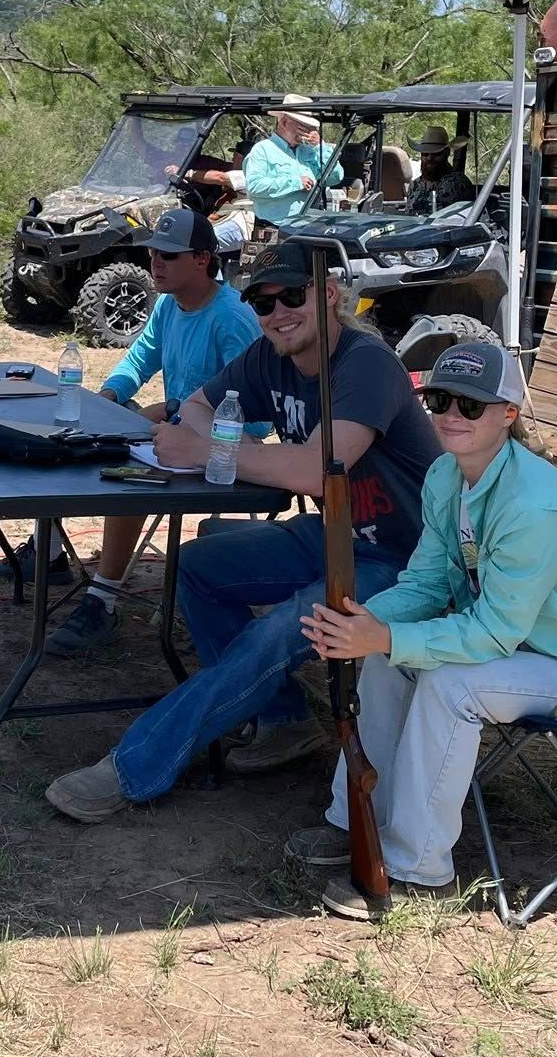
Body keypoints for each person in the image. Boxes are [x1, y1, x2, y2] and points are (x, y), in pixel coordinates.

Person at [296, 343, 557, 920]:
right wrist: (367, 622)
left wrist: (384, 636)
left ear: (509, 412)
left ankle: (417, 870)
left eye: (472, 404)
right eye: (439, 400)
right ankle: (357, 823)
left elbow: (491, 635)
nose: (452, 415)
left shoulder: (536, 506)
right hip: (542, 651)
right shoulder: (444, 475)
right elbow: (429, 582)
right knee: (389, 660)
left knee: (452, 684)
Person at [43, 242, 440, 821]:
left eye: (292, 296)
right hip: (336, 537)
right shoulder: (267, 358)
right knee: (197, 567)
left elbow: (312, 470)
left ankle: (134, 768)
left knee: (277, 632)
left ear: (329, 296)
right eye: (261, 301)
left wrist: (209, 452)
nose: (277, 311)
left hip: (409, 560)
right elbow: (199, 407)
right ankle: (283, 720)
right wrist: (227, 447)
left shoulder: (366, 364)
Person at [43, 207, 262, 654]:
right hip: (176, 430)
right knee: (70, 436)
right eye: (153, 252)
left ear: (202, 259)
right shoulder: (168, 304)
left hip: (222, 451)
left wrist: (174, 410)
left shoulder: (232, 316)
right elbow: (141, 359)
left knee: (126, 475)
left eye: (168, 255)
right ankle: (44, 554)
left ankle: (102, 600)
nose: (155, 263)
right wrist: (108, 397)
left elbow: (257, 417)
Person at [242, 95, 343, 227]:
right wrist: (295, 182)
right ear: (284, 123)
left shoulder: (310, 151)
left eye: (308, 126)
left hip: (308, 226)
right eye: (302, 126)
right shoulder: (263, 150)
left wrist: (320, 146)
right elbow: (255, 188)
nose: (307, 131)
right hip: (274, 227)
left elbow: (335, 177)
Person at [408, 125, 477, 216]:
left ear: (446, 153)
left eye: (436, 153)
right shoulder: (415, 185)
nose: (430, 158)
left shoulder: (457, 183)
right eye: (425, 154)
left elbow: (454, 220)